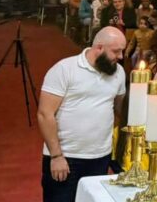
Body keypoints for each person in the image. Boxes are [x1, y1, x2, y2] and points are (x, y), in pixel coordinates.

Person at [37, 27, 128, 202]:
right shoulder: (65, 68)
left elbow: (119, 108)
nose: (121, 57)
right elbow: (44, 114)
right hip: (67, 157)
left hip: (100, 157)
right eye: (116, 51)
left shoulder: (118, 72)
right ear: (99, 48)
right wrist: (56, 156)